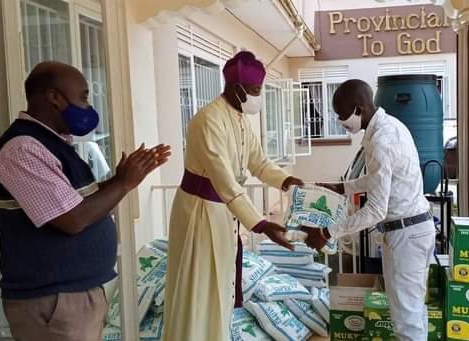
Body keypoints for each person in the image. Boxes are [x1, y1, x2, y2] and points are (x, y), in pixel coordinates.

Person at [0, 61, 171, 341]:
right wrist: (123, 183)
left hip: (69, 296)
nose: (88, 105)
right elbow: (72, 219)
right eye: (83, 96)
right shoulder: (22, 149)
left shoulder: (54, 144)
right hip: (53, 300)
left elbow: (73, 201)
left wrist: (118, 180)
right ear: (54, 97)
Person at [163, 51, 304, 341]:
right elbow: (226, 182)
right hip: (199, 214)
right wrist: (262, 225)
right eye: (255, 91)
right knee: (198, 291)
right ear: (236, 87)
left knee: (220, 290)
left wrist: (285, 180)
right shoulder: (207, 120)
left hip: (224, 212)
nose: (259, 97)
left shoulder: (240, 119)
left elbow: (259, 162)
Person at [301, 79, 436, 341]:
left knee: (406, 321)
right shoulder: (388, 127)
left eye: (342, 114)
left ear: (359, 108)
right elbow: (378, 178)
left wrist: (327, 232)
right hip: (414, 230)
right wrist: (343, 187)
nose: (340, 120)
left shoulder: (383, 140)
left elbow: (375, 210)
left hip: (406, 235)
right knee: (413, 312)